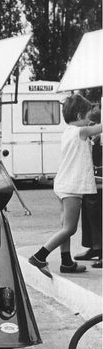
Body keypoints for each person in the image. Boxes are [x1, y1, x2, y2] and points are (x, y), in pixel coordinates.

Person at [29, 94, 102, 277]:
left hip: (63, 184)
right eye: (87, 117)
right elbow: (99, 128)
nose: (89, 121)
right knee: (70, 228)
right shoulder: (80, 132)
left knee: (65, 226)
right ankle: (39, 256)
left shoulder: (69, 132)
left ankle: (67, 262)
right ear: (79, 117)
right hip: (71, 187)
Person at [75, 105, 102, 268]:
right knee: (88, 213)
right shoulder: (90, 142)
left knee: (98, 215)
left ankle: (100, 247)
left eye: (93, 125)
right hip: (91, 182)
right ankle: (94, 247)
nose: (90, 128)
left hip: (99, 183)